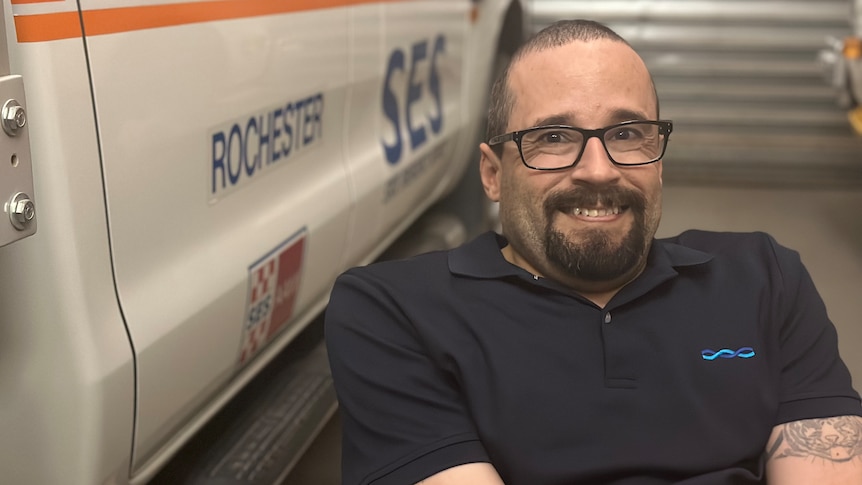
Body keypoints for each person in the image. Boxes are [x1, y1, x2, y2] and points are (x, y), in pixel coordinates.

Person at [324, 19, 862, 485]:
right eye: (554, 137)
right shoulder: (394, 310)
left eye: (627, 133)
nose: (599, 170)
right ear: (492, 173)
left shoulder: (765, 278)